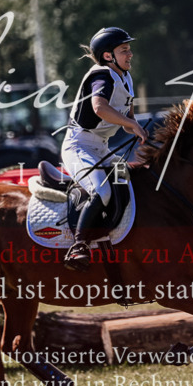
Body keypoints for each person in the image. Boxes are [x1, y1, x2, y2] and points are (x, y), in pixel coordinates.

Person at [60, 27, 147, 272]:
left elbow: (127, 118)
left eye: (129, 49)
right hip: (78, 146)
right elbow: (99, 108)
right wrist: (131, 123)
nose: (130, 54)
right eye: (124, 50)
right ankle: (78, 246)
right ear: (108, 56)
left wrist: (138, 129)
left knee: (133, 181)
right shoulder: (103, 76)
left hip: (101, 147)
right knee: (101, 191)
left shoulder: (125, 77)